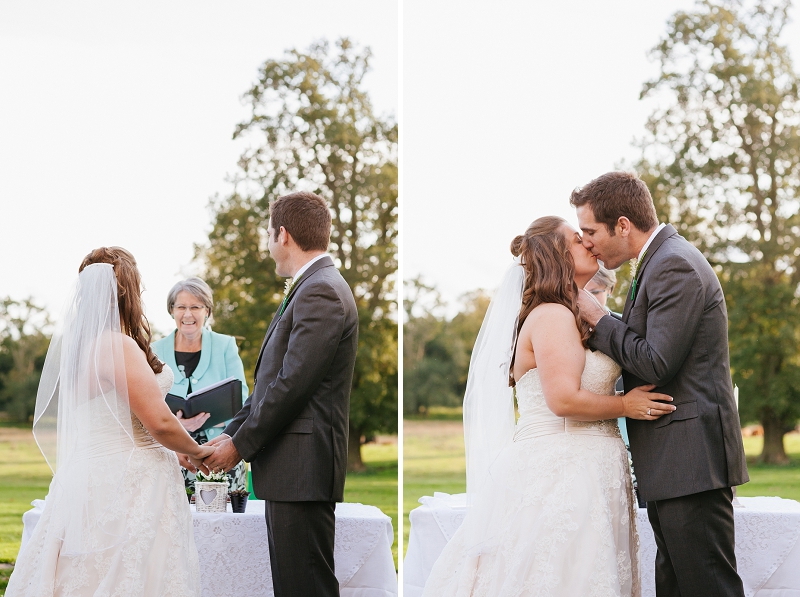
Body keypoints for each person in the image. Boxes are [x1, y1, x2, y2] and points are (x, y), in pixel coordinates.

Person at [422, 216, 675, 597]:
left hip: (587, 467)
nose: (589, 244)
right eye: (578, 240)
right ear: (558, 256)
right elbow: (563, 400)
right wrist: (626, 404)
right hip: (563, 470)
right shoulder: (553, 316)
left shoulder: (571, 314)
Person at [572, 171, 749, 597]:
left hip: (691, 463)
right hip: (676, 465)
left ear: (623, 225)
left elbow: (655, 362)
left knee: (708, 587)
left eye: (590, 231)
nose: (587, 242)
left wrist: (597, 318)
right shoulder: (657, 262)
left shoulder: (673, 264)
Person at [6, 247, 213, 597]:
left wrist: (174, 453)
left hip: (91, 476)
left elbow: (113, 417)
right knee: (128, 576)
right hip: (130, 484)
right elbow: (160, 422)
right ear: (127, 292)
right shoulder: (118, 345)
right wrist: (197, 451)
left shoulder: (82, 348)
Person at [201, 191, 358, 597]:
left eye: (269, 235)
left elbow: (293, 385)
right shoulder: (311, 286)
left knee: (306, 588)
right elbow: (272, 382)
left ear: (283, 235)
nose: (269, 245)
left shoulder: (320, 290)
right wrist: (231, 433)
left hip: (303, 470)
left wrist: (240, 447)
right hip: (292, 470)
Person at [152, 277, 249, 492]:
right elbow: (146, 405)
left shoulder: (226, 345)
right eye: (181, 307)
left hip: (218, 452)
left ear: (208, 311)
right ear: (171, 310)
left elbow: (242, 400)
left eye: (195, 307)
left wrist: (212, 423)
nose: (188, 314)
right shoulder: (154, 350)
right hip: (170, 453)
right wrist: (176, 426)